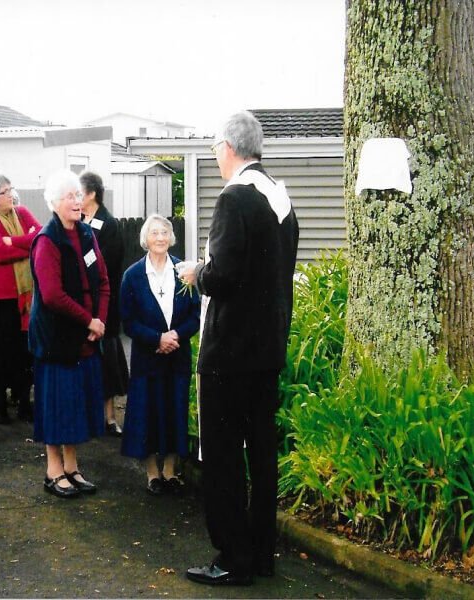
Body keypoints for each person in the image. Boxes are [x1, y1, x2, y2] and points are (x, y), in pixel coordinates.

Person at [179, 111, 299, 585]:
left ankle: (232, 556)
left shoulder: (234, 198)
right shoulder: (279, 196)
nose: (215, 157)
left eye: (214, 149)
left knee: (224, 457)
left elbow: (224, 275)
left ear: (229, 146)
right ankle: (261, 552)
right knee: (262, 453)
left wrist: (197, 274)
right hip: (267, 349)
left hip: (228, 353)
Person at [29, 169, 109, 498]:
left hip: (86, 338)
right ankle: (53, 471)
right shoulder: (47, 240)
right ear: (54, 203)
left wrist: (99, 321)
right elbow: (51, 295)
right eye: (70, 197)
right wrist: (87, 321)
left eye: (79, 195)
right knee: (56, 406)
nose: (77, 201)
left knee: (75, 406)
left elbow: (103, 282)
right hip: (56, 340)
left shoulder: (88, 235)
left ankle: (73, 468)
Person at [120, 214, 200, 495]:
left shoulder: (183, 272)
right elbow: (127, 321)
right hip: (148, 357)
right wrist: (157, 338)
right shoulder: (132, 276)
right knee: (148, 413)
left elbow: (195, 314)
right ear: (145, 239)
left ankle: (170, 470)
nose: (160, 238)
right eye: (154, 233)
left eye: (165, 232)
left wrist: (176, 335)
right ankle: (152, 473)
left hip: (177, 354)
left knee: (174, 410)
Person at [0, 173, 41, 424]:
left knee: (25, 351)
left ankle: (25, 403)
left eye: (12, 189)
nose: (11, 195)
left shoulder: (22, 212)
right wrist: (24, 244)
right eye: (5, 191)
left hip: (25, 295)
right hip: (1, 298)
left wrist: (13, 240)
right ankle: (1, 404)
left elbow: (39, 236)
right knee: (3, 352)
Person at [80, 171, 129, 437]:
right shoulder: (78, 220)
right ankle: (89, 415)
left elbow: (106, 265)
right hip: (82, 305)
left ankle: (109, 418)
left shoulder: (108, 225)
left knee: (106, 360)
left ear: (91, 194)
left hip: (103, 304)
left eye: (79, 192)